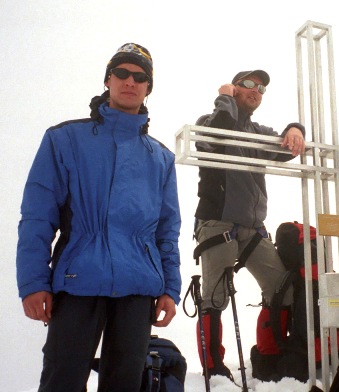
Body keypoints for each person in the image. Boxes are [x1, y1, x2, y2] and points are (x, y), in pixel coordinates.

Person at [16, 43, 182, 392]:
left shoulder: (161, 159)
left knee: (124, 384)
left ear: (148, 88)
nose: (129, 81)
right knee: (62, 380)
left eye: (140, 77)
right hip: (78, 281)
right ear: (107, 79)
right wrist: (33, 283)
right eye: (121, 72)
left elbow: (167, 230)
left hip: (138, 289)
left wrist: (170, 288)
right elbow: (37, 217)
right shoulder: (64, 139)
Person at [193, 69, 305, 378]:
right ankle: (214, 370)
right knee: (215, 297)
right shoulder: (209, 120)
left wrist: (296, 128)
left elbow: (285, 152)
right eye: (248, 85)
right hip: (217, 224)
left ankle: (272, 358)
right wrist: (225, 99)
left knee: (282, 288)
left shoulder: (258, 131)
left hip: (252, 228)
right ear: (234, 88)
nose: (256, 90)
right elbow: (219, 134)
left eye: (262, 88)